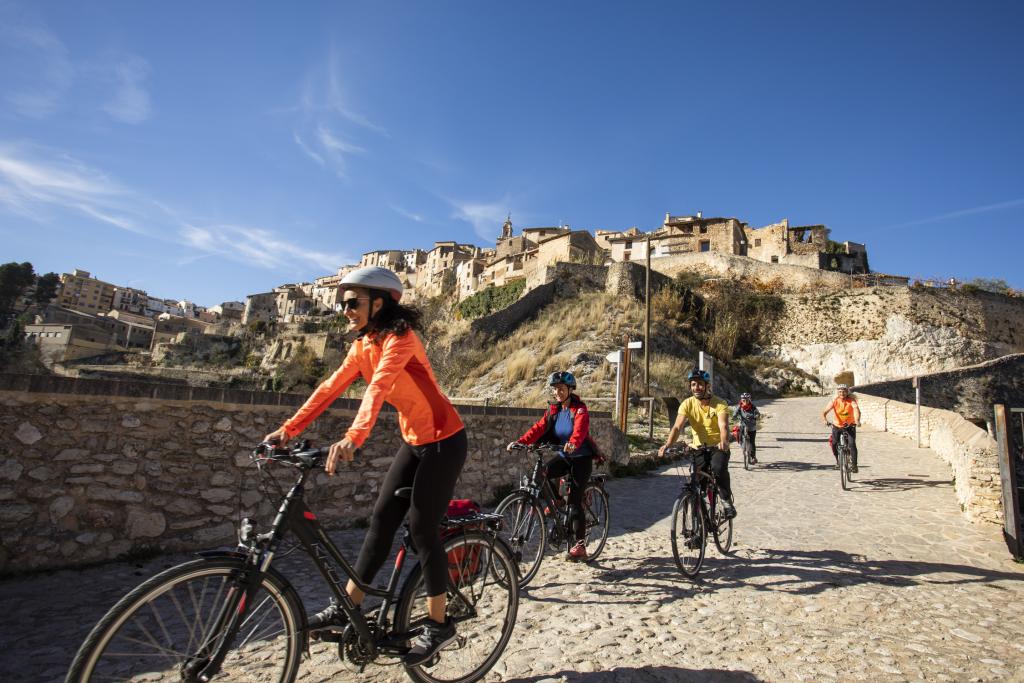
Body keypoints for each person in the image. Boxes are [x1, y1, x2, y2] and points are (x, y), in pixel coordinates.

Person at [263, 266, 466, 666]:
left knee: (422, 529)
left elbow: (378, 387)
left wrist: (355, 437)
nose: (345, 310)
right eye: (342, 303)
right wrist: (287, 431)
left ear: (379, 301)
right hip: (414, 441)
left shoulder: (400, 338)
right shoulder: (363, 346)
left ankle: (439, 624)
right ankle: (349, 607)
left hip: (445, 440)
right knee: (380, 522)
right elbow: (329, 388)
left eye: (352, 302)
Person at [507, 371, 597, 561]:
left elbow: (580, 430)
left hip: (581, 458)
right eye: (555, 389)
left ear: (570, 390)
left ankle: (580, 546)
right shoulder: (554, 410)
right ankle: (556, 501)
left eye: (562, 389)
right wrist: (521, 441)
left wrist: (573, 442)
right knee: (544, 473)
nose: (558, 392)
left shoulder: (579, 409)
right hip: (565, 456)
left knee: (574, 502)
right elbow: (538, 428)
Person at [658, 369, 736, 519]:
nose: (696, 388)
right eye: (693, 385)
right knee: (695, 485)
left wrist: (724, 441)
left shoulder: (720, 404)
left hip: (717, 447)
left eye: (700, 384)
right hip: (698, 448)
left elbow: (723, 426)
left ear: (707, 386)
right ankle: (698, 529)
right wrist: (667, 445)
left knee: (718, 469)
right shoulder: (687, 404)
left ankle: (726, 501)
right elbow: (677, 427)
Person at [822, 384, 861, 472]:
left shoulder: (851, 400)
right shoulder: (834, 401)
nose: (842, 393)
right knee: (834, 443)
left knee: (852, 444)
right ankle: (838, 462)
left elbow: (856, 410)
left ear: (847, 392)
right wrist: (825, 420)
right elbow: (825, 411)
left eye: (844, 391)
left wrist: (857, 421)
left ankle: (854, 465)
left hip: (850, 425)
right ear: (837, 392)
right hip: (837, 426)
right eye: (840, 392)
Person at [732, 393, 761, 464]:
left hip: (751, 426)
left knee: (752, 442)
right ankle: (743, 446)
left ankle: (753, 457)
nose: (745, 401)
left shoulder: (753, 406)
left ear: (749, 399)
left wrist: (756, 416)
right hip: (743, 425)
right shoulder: (739, 406)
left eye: (747, 400)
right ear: (741, 400)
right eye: (743, 400)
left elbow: (757, 413)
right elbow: (735, 413)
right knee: (739, 435)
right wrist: (734, 416)